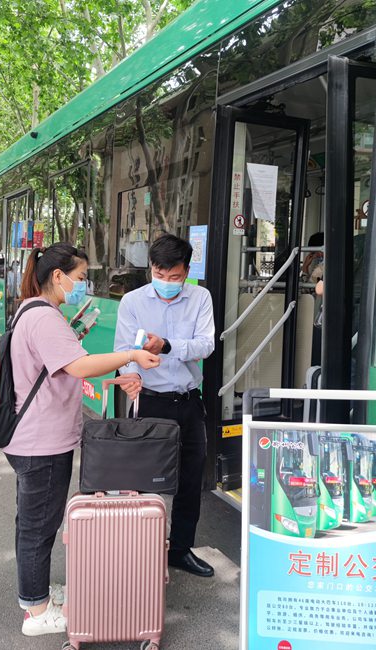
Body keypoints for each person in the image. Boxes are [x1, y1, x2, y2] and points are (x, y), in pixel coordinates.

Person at [7, 242, 160, 637]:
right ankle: (37, 611)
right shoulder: (44, 317)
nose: (83, 285)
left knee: (37, 522)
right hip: (41, 441)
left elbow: (60, 372)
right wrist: (130, 356)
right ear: (58, 276)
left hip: (37, 437)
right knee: (38, 526)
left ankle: (37, 594)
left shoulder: (35, 310)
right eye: (80, 277)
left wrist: (112, 378)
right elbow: (77, 366)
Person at [113, 234, 216, 578]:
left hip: (188, 401)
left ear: (186, 271)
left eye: (175, 277)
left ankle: (180, 549)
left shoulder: (200, 298)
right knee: (142, 480)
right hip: (150, 402)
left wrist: (168, 345)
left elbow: (205, 345)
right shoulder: (132, 302)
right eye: (160, 274)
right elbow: (123, 351)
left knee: (190, 480)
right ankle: (141, 551)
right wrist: (130, 376)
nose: (167, 282)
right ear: (151, 269)